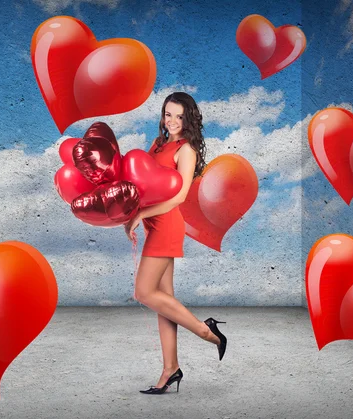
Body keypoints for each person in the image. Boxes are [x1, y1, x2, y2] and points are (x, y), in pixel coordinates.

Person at [124, 92, 227, 395]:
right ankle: (171, 369)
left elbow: (178, 197)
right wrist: (130, 212)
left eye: (179, 116)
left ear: (189, 119)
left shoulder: (186, 150)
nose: (172, 121)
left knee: (144, 292)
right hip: (151, 223)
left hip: (166, 224)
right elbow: (141, 181)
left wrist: (140, 212)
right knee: (164, 301)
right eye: (168, 114)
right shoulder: (157, 144)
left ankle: (208, 332)